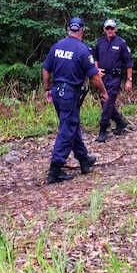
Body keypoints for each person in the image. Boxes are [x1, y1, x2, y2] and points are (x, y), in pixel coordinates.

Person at [42, 17, 108, 183]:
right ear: (82, 30)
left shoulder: (57, 46)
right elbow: (94, 77)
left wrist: (48, 89)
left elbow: (45, 69)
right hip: (69, 94)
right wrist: (104, 92)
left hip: (57, 92)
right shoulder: (82, 50)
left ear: (68, 29)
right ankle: (55, 168)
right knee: (67, 128)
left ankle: (83, 159)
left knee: (71, 124)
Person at [93, 19, 134, 142]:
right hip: (102, 77)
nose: (109, 30)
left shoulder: (121, 43)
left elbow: (129, 63)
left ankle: (103, 130)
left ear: (116, 29)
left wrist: (129, 80)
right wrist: (96, 70)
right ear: (104, 29)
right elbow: (95, 58)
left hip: (115, 78)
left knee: (107, 103)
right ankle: (120, 122)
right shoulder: (100, 43)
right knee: (106, 103)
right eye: (107, 28)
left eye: (112, 28)